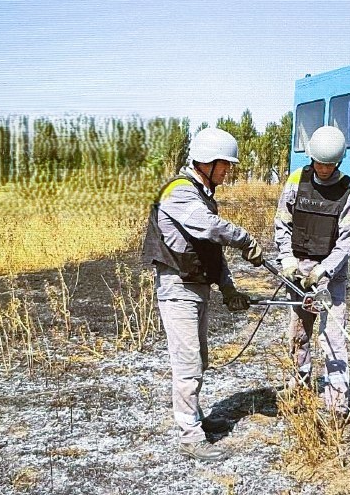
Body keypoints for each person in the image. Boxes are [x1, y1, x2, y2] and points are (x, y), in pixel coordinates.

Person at [142, 127, 264, 462]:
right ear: (207, 162)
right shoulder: (180, 193)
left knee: (200, 360)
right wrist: (245, 238)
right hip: (178, 288)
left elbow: (211, 251)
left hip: (196, 287)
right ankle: (190, 436)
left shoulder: (201, 193)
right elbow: (212, 228)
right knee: (188, 363)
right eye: (225, 164)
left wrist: (228, 288)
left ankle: (196, 418)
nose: (228, 171)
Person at [273, 125, 350, 415]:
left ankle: (336, 401)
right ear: (311, 157)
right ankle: (297, 383)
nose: (323, 169)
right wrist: (287, 259)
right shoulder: (297, 180)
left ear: (339, 162)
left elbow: (347, 241)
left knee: (333, 334)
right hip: (298, 267)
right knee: (298, 332)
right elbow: (282, 223)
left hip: (329, 273)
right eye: (319, 162)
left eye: (330, 164)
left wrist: (325, 271)